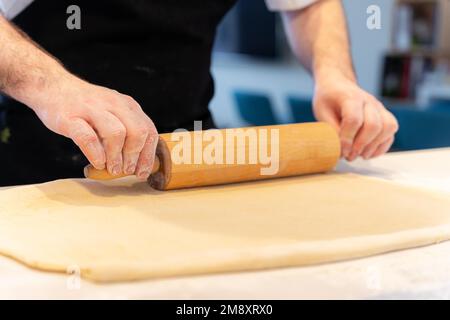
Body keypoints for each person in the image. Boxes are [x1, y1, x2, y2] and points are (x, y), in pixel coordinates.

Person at [0, 0, 398, 186]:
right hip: (34, 157)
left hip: (190, 154)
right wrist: (51, 86)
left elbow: (307, 3)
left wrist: (335, 76)